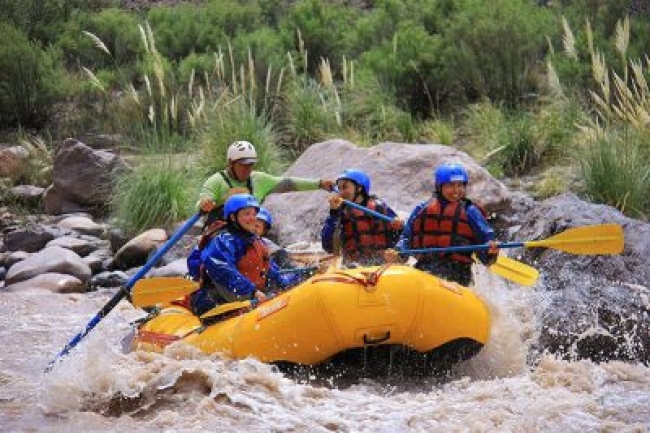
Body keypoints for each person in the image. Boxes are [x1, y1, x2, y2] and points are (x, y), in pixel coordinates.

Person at [384, 162, 498, 286]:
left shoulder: (470, 211)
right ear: (440, 187)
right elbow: (407, 237)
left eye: (460, 185)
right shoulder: (422, 209)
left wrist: (490, 250)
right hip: (424, 268)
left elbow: (486, 239)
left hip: (458, 273)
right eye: (451, 185)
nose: (456, 190)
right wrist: (399, 252)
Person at [188, 194, 300, 316]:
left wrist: (299, 278)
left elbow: (272, 273)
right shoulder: (223, 239)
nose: (252, 218)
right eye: (247, 214)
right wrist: (252, 292)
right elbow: (222, 269)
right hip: (215, 302)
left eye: (254, 214)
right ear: (233, 217)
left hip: (246, 298)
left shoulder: (255, 241)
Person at [197, 140, 334, 234]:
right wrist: (204, 204)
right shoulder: (216, 181)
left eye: (250, 165)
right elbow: (203, 199)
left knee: (278, 254)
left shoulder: (259, 179)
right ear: (231, 163)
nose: (247, 169)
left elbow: (289, 183)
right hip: (220, 235)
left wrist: (319, 183)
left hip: (248, 233)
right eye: (243, 165)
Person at [321, 169, 403, 267]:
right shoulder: (340, 213)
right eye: (339, 188)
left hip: (383, 266)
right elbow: (328, 246)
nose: (341, 192)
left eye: (345, 187)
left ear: (359, 188)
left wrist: (399, 231)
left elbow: (404, 236)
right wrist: (333, 213)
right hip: (354, 268)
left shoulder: (380, 207)